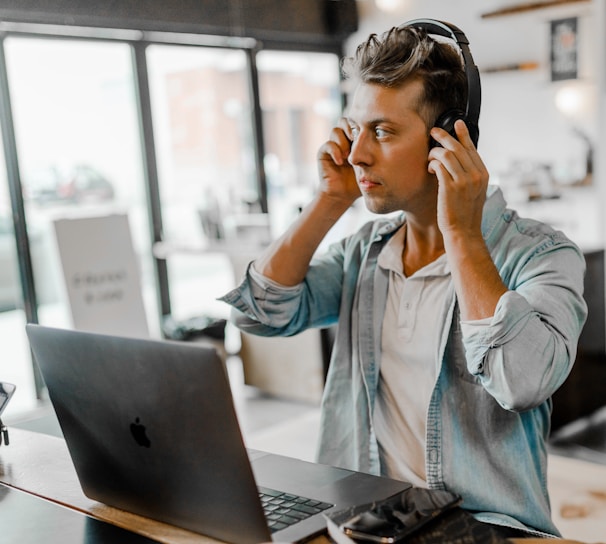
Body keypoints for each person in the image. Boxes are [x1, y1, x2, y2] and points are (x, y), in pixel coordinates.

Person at [220, 21, 587, 538]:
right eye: (355, 129)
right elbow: (256, 312)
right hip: (361, 523)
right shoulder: (364, 254)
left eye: (384, 132)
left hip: (482, 531)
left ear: (451, 140)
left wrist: (460, 231)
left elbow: (522, 382)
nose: (356, 154)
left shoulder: (541, 255)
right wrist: (330, 201)